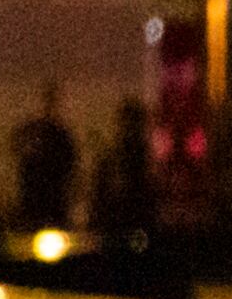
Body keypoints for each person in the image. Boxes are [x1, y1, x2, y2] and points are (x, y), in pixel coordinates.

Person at [10, 84, 78, 229]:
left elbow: (69, 165)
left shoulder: (57, 134)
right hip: (38, 203)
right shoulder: (38, 132)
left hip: (53, 201)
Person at [87, 98, 157, 238]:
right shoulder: (111, 161)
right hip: (118, 229)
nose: (129, 129)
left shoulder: (144, 161)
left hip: (126, 228)